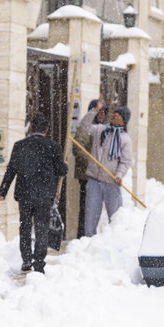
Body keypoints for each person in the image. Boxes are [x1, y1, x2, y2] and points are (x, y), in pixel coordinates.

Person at [0, 113, 68, 273]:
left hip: (25, 194)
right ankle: (39, 262)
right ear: (47, 130)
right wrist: (64, 165)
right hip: (44, 195)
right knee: (42, 228)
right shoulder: (53, 146)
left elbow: (11, 170)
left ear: (30, 128)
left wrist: (3, 191)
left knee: (25, 227)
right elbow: (61, 171)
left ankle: (27, 260)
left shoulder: (20, 145)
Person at [79, 100, 133, 237]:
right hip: (94, 181)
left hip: (111, 182)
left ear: (124, 120)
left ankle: (114, 244)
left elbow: (125, 161)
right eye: (115, 113)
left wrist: (119, 174)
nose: (115, 115)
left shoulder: (125, 139)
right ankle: (88, 245)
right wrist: (94, 111)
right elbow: (84, 127)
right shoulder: (100, 130)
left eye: (119, 114)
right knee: (90, 216)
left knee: (115, 218)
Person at [72, 99, 107, 238]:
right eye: (99, 111)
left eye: (103, 112)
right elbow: (78, 149)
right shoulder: (85, 129)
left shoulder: (103, 128)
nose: (102, 115)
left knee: (96, 209)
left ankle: (92, 237)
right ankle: (83, 238)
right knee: (87, 209)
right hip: (87, 177)